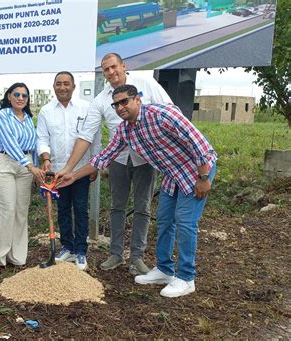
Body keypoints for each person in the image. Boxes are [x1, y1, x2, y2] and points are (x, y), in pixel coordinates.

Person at [58, 84, 217, 298]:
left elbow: (197, 142)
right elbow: (103, 157)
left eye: (125, 101)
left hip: (197, 169)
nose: (121, 107)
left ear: (138, 100)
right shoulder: (125, 130)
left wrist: (204, 176)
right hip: (173, 173)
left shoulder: (162, 114)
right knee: (164, 219)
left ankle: (187, 278)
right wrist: (73, 175)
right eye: (116, 104)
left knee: (185, 221)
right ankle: (164, 269)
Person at [56, 53, 172, 276]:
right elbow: (86, 135)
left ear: (123, 66)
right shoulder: (100, 100)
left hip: (146, 158)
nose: (111, 73)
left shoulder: (146, 84)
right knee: (117, 207)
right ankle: (116, 254)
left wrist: (165, 152)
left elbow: (169, 110)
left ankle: (137, 257)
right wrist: (69, 169)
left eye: (113, 67)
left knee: (143, 207)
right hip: (117, 158)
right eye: (105, 69)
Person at [37, 71, 100, 270]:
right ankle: (67, 247)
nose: (62, 87)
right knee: (63, 208)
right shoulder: (46, 111)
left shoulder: (86, 108)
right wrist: (46, 159)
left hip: (80, 170)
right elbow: (42, 138)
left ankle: (81, 251)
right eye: (58, 84)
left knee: (81, 208)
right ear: (54, 86)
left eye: (66, 83)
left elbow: (94, 138)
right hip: (56, 171)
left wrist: (94, 164)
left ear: (74, 87)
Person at [0, 83, 45, 267]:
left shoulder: (28, 117)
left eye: (24, 95)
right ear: (9, 96)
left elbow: (34, 144)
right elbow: (10, 143)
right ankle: (1, 255)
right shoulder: (2, 115)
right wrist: (31, 167)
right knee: (6, 210)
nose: (21, 98)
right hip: (4, 164)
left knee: (21, 211)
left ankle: (17, 255)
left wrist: (36, 167)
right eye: (17, 94)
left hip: (25, 167)